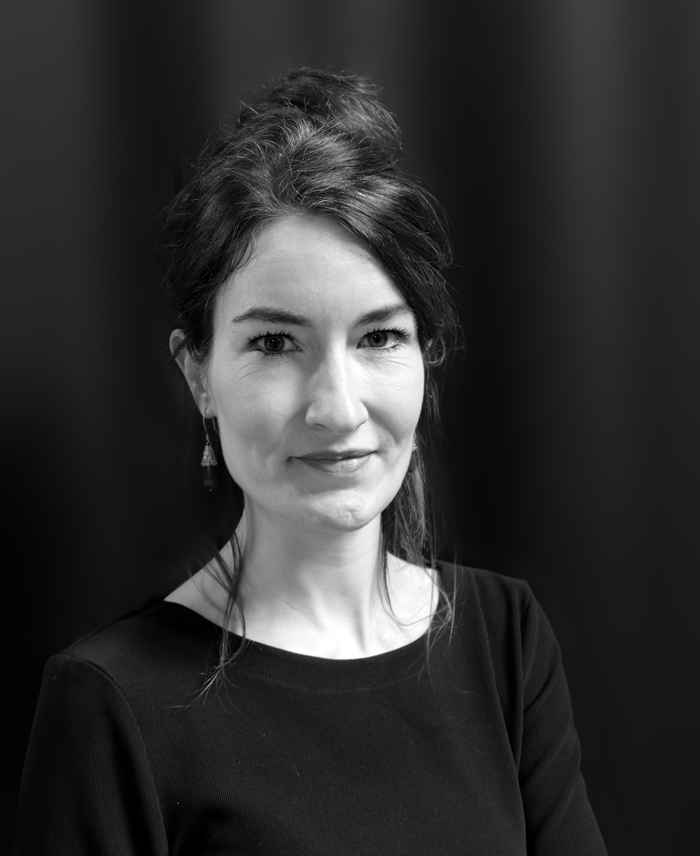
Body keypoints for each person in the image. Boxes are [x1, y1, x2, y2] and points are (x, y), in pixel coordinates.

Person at [14, 68, 608, 855]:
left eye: (379, 337)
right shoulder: (109, 701)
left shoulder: (505, 640)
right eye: (274, 343)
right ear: (198, 374)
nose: (337, 407)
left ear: (426, 357)